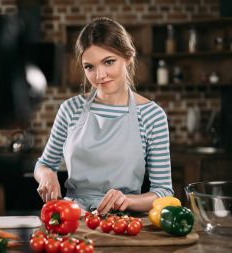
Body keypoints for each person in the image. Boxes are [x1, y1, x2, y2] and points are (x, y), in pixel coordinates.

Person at [34, 17, 173, 215]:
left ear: (128, 58)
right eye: (89, 66)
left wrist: (126, 200)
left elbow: (163, 193)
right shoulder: (70, 109)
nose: (99, 75)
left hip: (124, 221)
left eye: (108, 62)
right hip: (74, 217)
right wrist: (47, 175)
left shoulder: (152, 115)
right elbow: (44, 164)